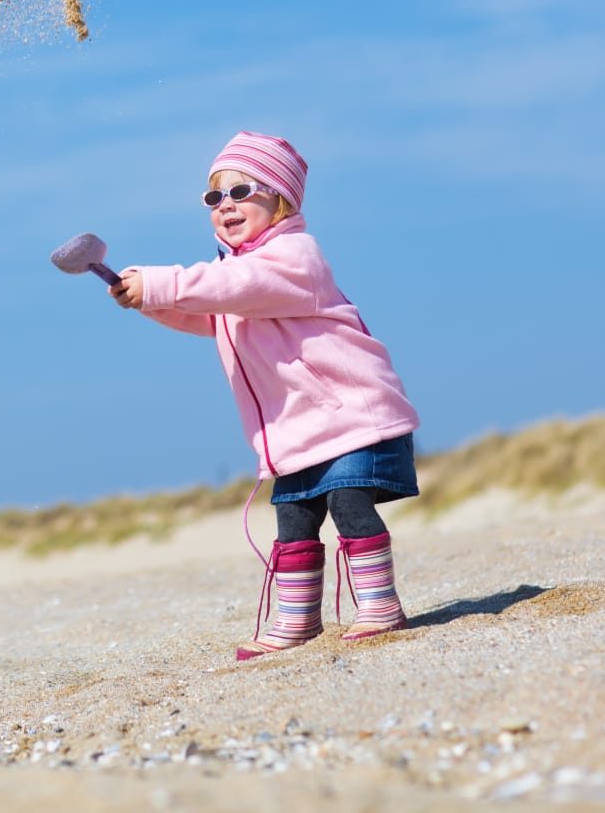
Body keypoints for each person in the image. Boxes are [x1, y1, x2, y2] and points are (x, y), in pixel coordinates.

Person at [108, 131, 420, 659]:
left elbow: (235, 287)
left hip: (350, 416)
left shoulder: (295, 257)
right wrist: (147, 300)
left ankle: (379, 605)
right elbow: (209, 311)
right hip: (297, 429)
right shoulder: (236, 275)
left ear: (282, 201)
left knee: (349, 505)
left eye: (240, 191)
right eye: (214, 197)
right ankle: (297, 618)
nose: (225, 205)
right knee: (293, 521)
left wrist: (160, 284)